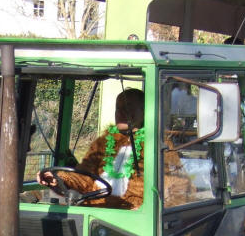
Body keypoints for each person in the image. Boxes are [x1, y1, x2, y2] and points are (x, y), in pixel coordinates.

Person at [37, 88, 193, 209]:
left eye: (128, 107)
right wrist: (58, 178)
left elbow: (176, 185)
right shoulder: (103, 142)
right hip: (97, 210)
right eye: (118, 108)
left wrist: (146, 210)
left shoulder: (158, 144)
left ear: (145, 112)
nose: (121, 112)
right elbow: (83, 177)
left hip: (132, 216)